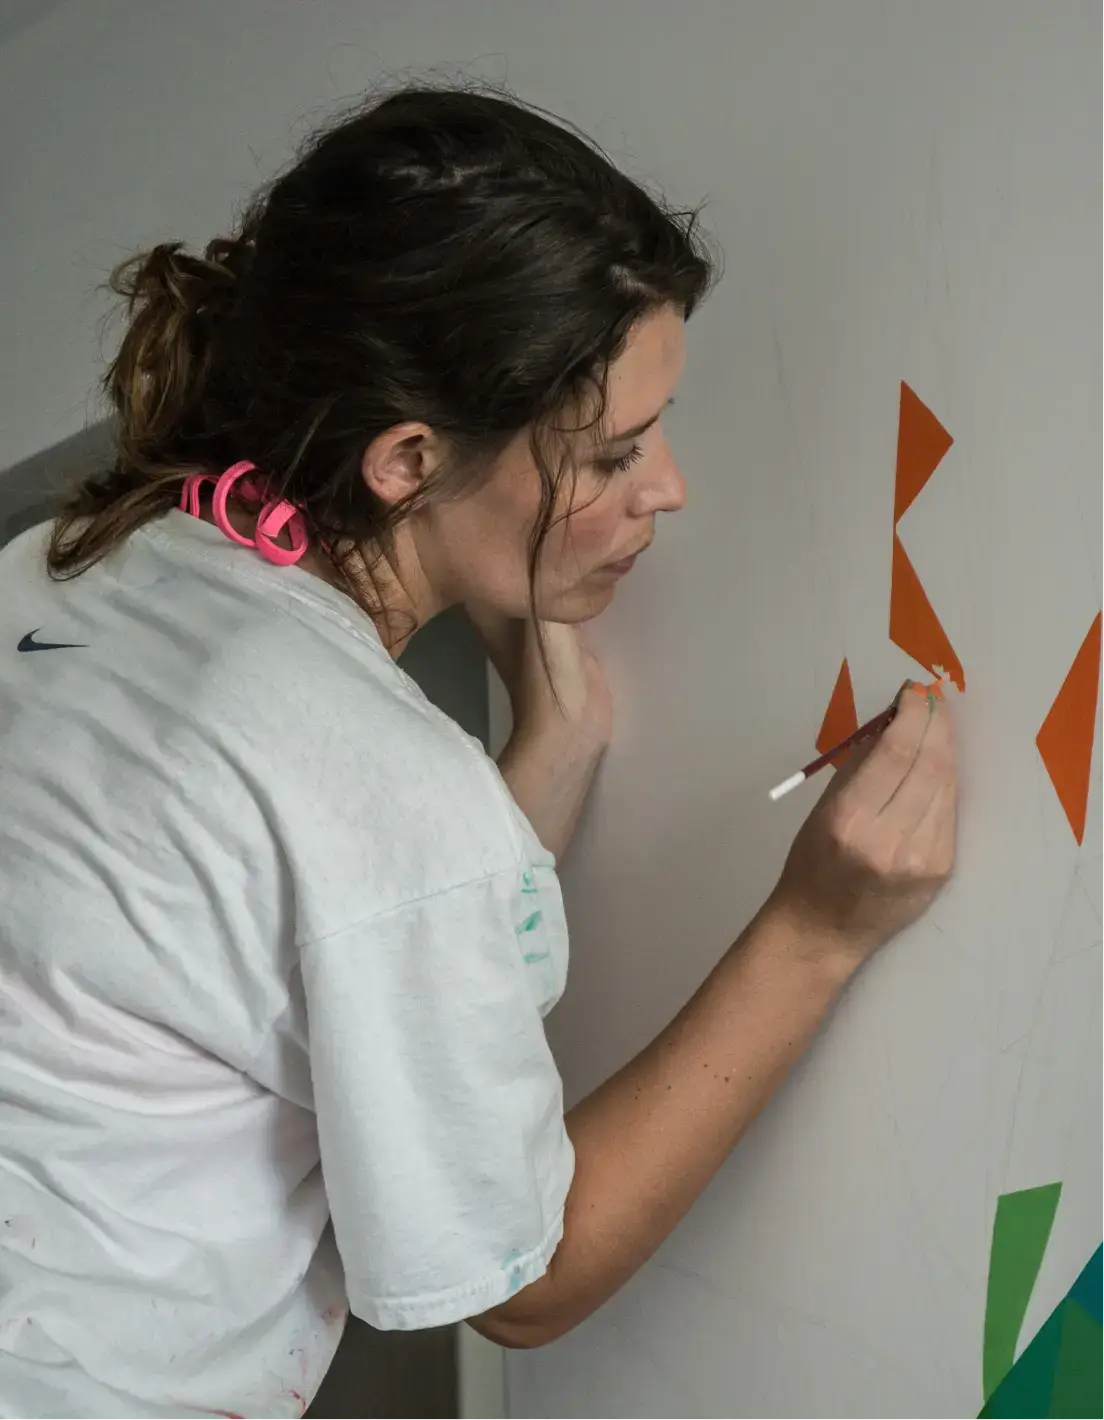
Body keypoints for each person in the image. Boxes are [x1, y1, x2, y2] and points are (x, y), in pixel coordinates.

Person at [0, 85, 957, 1419]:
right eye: (615, 451)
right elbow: (522, 1281)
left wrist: (540, 773)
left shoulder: (65, 565)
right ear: (406, 459)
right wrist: (817, 928)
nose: (667, 487)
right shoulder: (375, 783)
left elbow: (284, 931)